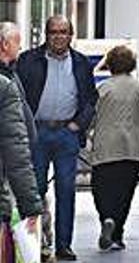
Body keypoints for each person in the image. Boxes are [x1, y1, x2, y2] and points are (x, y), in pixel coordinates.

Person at [17, 15, 98, 262]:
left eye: (64, 32)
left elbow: (90, 99)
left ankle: (64, 245)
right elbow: (18, 94)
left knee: (66, 190)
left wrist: (78, 125)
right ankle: (34, 246)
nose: (59, 37)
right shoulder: (29, 60)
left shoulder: (81, 63)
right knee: (35, 190)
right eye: (54, 32)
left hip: (66, 134)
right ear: (46, 34)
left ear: (71, 35)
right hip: (37, 133)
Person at [90, 45, 139, 251]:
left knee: (101, 189)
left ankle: (106, 218)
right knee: (124, 192)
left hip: (105, 149)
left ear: (110, 65)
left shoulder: (102, 89)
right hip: (132, 150)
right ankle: (117, 234)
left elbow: (91, 117)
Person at [0, 22, 43, 236]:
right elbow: (15, 153)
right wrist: (31, 207)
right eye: (17, 41)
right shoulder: (5, 85)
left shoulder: (12, 74)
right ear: (5, 44)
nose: (20, 46)